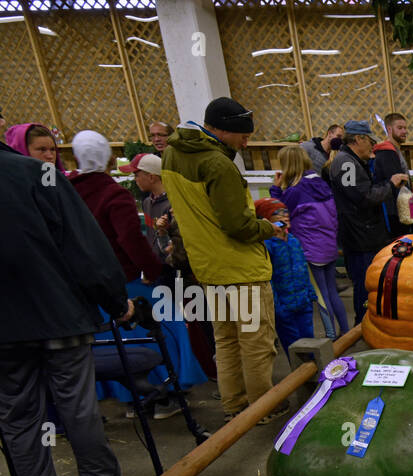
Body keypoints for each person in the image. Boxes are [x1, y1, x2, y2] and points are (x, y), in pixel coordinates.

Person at [0, 139, 141, 476]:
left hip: (5, 333)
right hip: (56, 315)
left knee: (18, 416)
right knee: (78, 408)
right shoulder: (33, 174)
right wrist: (116, 301)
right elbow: (83, 247)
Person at [161, 97, 287, 425]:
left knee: (227, 339)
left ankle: (234, 406)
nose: (246, 142)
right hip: (240, 268)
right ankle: (264, 409)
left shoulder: (172, 154)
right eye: (241, 136)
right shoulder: (217, 164)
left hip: (209, 269)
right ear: (219, 129)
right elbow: (238, 225)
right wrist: (270, 229)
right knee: (256, 343)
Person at [123, 151, 218, 386]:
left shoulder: (176, 201)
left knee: (201, 317)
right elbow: (151, 238)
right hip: (161, 271)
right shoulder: (147, 202)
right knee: (173, 320)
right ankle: (192, 367)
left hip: (185, 270)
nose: (135, 179)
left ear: (152, 176)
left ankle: (216, 369)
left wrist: (174, 244)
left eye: (137, 174)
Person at [327, 120, 408, 327]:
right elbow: (363, 198)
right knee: (365, 285)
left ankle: (370, 324)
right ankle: (362, 327)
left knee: (371, 283)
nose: (373, 146)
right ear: (358, 139)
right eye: (370, 140)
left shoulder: (352, 160)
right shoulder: (346, 163)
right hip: (359, 237)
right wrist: (390, 184)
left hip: (366, 233)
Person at [271, 144, 347, 337]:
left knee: (321, 295)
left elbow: (279, 213)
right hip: (328, 245)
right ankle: (346, 331)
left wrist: (275, 189)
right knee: (332, 291)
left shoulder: (295, 191)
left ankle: (330, 337)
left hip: (311, 250)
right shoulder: (321, 184)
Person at [69, 131, 164, 287]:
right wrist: (153, 270)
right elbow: (130, 238)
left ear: (76, 158)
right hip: (122, 278)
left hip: (85, 280)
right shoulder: (114, 195)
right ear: (110, 158)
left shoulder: (67, 190)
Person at [254, 198, 315, 359]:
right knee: (294, 347)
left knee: (311, 343)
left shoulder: (294, 241)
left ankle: (315, 375)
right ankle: (300, 378)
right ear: (267, 220)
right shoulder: (267, 246)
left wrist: (310, 294)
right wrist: (277, 307)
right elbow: (269, 279)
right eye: (278, 214)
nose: (284, 217)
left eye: (285, 212)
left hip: (304, 304)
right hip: (284, 308)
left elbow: (303, 269)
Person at [373, 111, 413, 236]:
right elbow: (395, 187)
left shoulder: (395, 150)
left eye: (405, 128)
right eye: (400, 128)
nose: (404, 131)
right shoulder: (387, 152)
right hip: (396, 216)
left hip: (402, 211)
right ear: (389, 129)